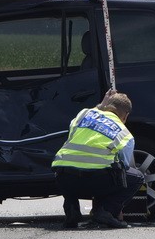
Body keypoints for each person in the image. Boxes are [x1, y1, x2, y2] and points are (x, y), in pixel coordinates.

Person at [52, 90, 144, 229]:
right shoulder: (124, 133)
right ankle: (106, 212)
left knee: (68, 166)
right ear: (125, 115)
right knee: (136, 177)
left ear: (106, 105)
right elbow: (123, 168)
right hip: (96, 181)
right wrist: (118, 207)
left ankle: (72, 210)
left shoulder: (83, 114)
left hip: (65, 178)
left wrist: (101, 104)